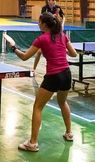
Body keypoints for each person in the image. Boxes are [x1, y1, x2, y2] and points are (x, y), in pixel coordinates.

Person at [7, 12, 77, 152]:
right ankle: (69, 133)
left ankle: (32, 143)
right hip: (66, 74)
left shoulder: (41, 39)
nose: (38, 24)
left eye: (39, 22)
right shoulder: (62, 36)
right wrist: (63, 49)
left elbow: (25, 57)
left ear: (44, 25)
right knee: (63, 102)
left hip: (53, 76)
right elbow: (74, 54)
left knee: (38, 107)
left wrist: (14, 47)